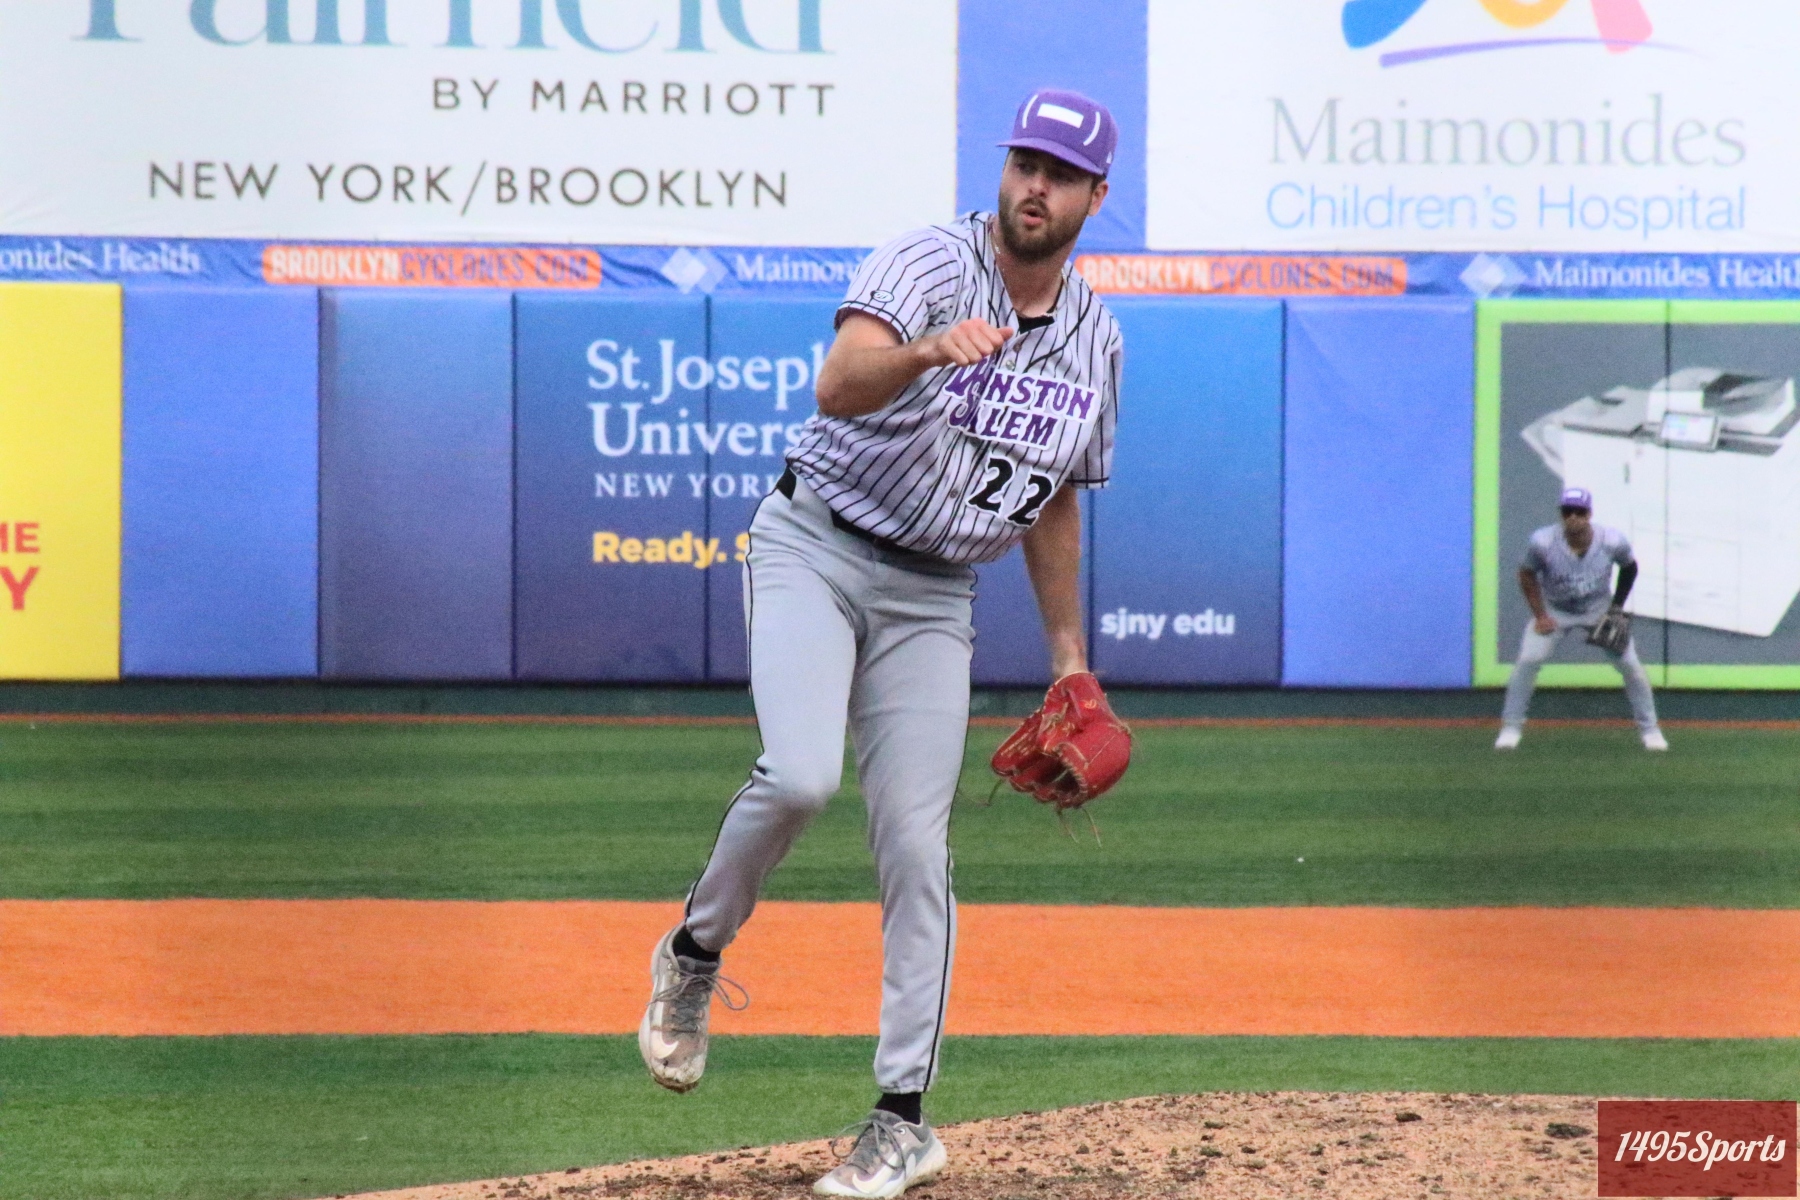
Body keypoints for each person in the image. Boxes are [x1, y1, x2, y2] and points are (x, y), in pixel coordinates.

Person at [637, 88, 1122, 1198]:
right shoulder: (928, 263)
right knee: (802, 775)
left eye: (1059, 173)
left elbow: (1054, 497)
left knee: (915, 842)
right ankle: (695, 954)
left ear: (1096, 197)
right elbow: (837, 382)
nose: (1034, 186)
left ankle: (902, 1119)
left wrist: (1067, 656)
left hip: (937, 592)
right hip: (817, 542)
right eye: (1024, 162)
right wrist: (926, 354)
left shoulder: (1096, 341)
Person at [1497, 486, 1666, 751]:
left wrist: (1616, 608)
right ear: (1561, 514)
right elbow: (1526, 574)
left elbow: (1629, 567)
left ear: (1589, 514)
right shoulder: (1543, 542)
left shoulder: (1611, 540)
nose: (1573, 517)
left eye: (1579, 512)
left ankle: (1651, 731)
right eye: (1567, 512)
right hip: (1556, 609)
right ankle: (1510, 728)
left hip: (1598, 609)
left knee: (1630, 665)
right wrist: (1540, 615)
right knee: (1528, 660)